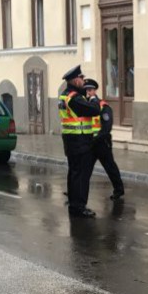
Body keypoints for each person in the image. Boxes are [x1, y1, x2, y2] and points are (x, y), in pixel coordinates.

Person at [59, 65, 101, 218]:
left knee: (74, 173)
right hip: (79, 140)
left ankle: (74, 204)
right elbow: (94, 110)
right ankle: (79, 206)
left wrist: (87, 93)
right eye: (81, 78)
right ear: (75, 80)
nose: (83, 81)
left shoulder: (67, 95)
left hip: (72, 139)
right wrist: (94, 98)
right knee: (81, 175)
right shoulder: (73, 98)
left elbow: (82, 95)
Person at [84, 78, 126, 200]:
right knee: (85, 169)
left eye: (90, 90)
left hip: (102, 143)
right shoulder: (84, 105)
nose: (88, 92)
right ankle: (76, 193)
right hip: (90, 143)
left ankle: (119, 190)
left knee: (110, 167)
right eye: (86, 90)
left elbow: (107, 126)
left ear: (95, 91)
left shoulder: (103, 106)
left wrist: (97, 138)